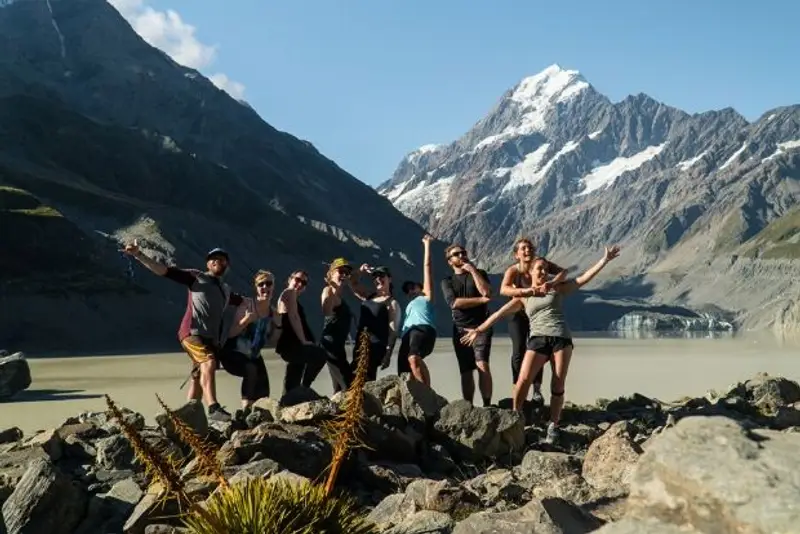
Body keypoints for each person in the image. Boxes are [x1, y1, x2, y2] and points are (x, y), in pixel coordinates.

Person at [461, 245, 621, 444]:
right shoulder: (524, 296)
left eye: (546, 269)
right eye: (539, 269)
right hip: (538, 339)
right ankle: (516, 416)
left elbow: (583, 278)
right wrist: (478, 330)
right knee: (523, 380)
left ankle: (553, 425)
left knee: (558, 382)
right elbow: (498, 314)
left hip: (561, 338)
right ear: (530, 272)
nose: (543, 272)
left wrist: (604, 260)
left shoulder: (557, 289)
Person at [120, 240, 242, 422]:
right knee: (208, 362)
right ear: (207, 263)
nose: (218, 261)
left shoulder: (225, 290)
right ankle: (213, 408)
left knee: (198, 376)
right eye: (213, 259)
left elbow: (246, 303)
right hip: (193, 333)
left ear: (227, 265)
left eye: (222, 260)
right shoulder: (196, 277)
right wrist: (139, 254)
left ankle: (190, 416)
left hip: (210, 339)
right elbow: (164, 271)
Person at [500, 238, 567, 404]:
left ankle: (537, 389)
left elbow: (564, 272)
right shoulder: (513, 270)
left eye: (529, 247)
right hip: (518, 312)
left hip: (539, 314)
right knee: (519, 349)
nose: (527, 250)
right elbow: (503, 289)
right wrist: (527, 291)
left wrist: (552, 282)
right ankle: (518, 385)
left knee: (538, 348)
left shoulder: (542, 264)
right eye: (523, 248)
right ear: (516, 255)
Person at [440, 244, 494, 407]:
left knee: (482, 363)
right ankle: (468, 406)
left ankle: (487, 405)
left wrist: (472, 270)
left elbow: (486, 292)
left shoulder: (480, 274)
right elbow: (454, 303)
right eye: (457, 254)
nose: (462, 256)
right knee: (465, 370)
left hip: (482, 326)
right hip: (460, 329)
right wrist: (480, 301)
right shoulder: (447, 281)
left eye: (464, 253)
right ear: (450, 261)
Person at [220, 270, 279, 412]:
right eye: (261, 284)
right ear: (256, 288)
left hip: (253, 355)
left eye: (268, 283)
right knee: (251, 370)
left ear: (273, 287)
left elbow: (272, 342)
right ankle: (245, 409)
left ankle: (256, 417)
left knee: (264, 390)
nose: (265, 287)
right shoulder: (247, 305)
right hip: (232, 352)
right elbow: (230, 334)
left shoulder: (273, 313)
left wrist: (279, 325)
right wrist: (246, 321)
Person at [275, 270, 327, 397]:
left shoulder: (288, 296)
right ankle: (305, 387)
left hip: (291, 346)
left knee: (293, 379)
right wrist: (304, 341)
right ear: (289, 279)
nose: (299, 284)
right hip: (292, 345)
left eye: (303, 283)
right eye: (297, 280)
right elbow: (294, 317)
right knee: (321, 355)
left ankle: (287, 402)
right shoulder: (289, 292)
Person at [350, 264, 401, 381]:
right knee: (354, 375)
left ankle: (366, 398)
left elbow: (393, 331)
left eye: (382, 275)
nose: (378, 279)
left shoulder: (392, 303)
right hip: (360, 343)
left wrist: (388, 355)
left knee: (365, 376)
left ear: (390, 279)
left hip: (376, 347)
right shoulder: (368, 296)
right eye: (375, 276)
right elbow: (352, 283)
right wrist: (360, 270)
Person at [398, 234, 436, 385]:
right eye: (407, 290)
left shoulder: (426, 296)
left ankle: (427, 394)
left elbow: (427, 268)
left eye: (413, 287)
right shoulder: (409, 306)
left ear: (421, 288)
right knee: (403, 371)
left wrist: (427, 245)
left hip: (422, 330)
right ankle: (410, 401)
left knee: (413, 358)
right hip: (407, 334)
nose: (410, 291)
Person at [320, 258, 355, 393]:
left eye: (346, 273)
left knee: (339, 388)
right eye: (340, 271)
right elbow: (326, 310)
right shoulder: (328, 290)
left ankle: (336, 412)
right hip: (331, 346)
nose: (344, 275)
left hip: (338, 346)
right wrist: (331, 290)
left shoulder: (339, 295)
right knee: (349, 384)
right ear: (331, 273)